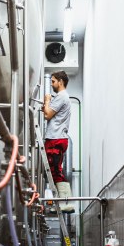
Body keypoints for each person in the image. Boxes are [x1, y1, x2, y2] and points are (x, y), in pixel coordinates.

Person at [43, 70, 74, 212]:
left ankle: (66, 204)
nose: (52, 84)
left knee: (56, 171)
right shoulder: (61, 97)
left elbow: (48, 115)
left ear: (61, 82)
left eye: (53, 81)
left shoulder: (62, 96)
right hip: (53, 137)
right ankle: (61, 203)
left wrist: (48, 100)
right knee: (53, 171)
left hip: (56, 138)